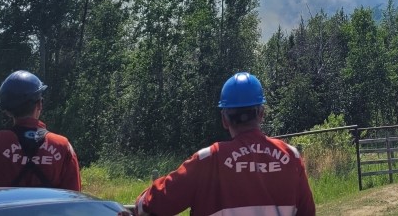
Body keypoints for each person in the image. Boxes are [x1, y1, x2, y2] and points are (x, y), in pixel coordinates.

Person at [134, 72, 316, 216]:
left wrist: (141, 203)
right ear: (261, 113)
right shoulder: (290, 156)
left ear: (224, 119)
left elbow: (158, 201)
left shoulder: (208, 160)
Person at [0, 70, 81, 191]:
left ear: (7, 110)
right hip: (46, 211)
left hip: (2, 210)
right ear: (40, 104)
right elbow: (74, 200)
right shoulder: (63, 146)